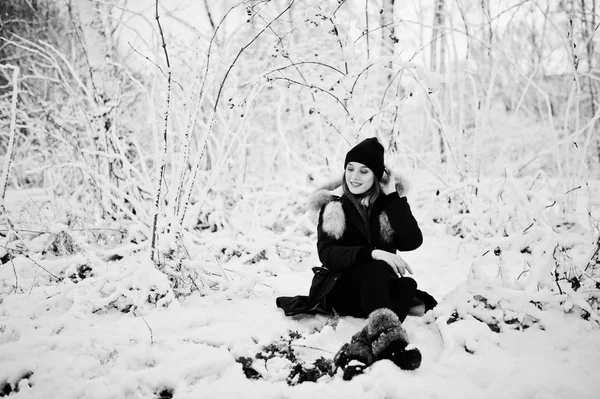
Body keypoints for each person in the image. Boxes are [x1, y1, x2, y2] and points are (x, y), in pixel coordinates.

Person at [276, 137, 437, 377]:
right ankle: (393, 345)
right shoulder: (334, 205)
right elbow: (327, 254)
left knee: (406, 286)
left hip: (376, 293)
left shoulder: (386, 205)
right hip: (342, 290)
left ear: (377, 175)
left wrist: (393, 197)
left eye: (364, 171)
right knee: (376, 268)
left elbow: (413, 241)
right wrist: (373, 253)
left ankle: (359, 350)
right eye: (350, 168)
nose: (354, 176)